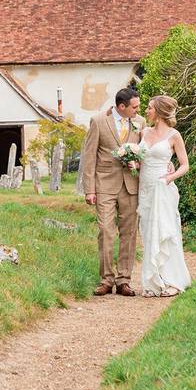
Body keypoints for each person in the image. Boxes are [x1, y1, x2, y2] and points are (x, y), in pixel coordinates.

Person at [80, 88, 146, 297]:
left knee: (129, 233)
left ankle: (124, 280)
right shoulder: (99, 121)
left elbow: (146, 152)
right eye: (134, 106)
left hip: (131, 185)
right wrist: (89, 189)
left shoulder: (140, 122)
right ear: (121, 107)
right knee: (106, 231)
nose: (138, 110)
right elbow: (89, 157)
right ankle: (106, 279)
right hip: (105, 185)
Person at [137, 95, 192, 297]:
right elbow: (140, 159)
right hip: (145, 189)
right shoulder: (143, 132)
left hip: (163, 187)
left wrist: (170, 177)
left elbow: (185, 164)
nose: (146, 111)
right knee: (148, 231)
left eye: (150, 108)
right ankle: (152, 281)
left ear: (159, 112)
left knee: (165, 232)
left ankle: (173, 281)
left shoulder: (174, 135)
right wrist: (132, 163)